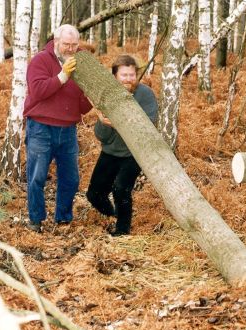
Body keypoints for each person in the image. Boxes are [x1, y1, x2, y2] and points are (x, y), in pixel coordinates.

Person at [23, 24, 92, 232]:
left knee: (70, 178)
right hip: (40, 127)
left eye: (74, 45)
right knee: (37, 176)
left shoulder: (82, 63)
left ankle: (63, 218)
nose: (70, 49)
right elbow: (37, 91)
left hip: (68, 129)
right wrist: (62, 76)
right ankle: (36, 219)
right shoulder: (40, 61)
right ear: (56, 41)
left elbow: (81, 105)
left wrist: (91, 98)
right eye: (66, 44)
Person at [86, 55, 158, 236]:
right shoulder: (108, 95)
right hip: (111, 151)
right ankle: (113, 215)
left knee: (120, 188)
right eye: (124, 75)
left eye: (131, 75)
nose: (128, 79)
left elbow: (148, 125)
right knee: (94, 195)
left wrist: (119, 121)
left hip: (134, 153)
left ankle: (122, 230)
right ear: (115, 76)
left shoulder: (145, 94)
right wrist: (103, 122)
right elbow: (102, 137)